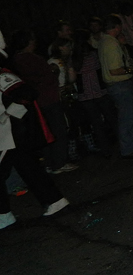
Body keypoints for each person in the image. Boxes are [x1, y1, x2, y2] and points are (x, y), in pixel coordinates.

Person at [1, 30, 70, 229]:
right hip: (7, 134)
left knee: (25, 167)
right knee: (28, 167)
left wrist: (10, 116)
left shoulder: (2, 75)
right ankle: (54, 200)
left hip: (8, 133)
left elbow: (26, 93)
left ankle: (3, 215)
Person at [10, 30, 77, 174]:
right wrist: (52, 72)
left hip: (38, 101)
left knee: (46, 132)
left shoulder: (17, 59)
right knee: (58, 130)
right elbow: (38, 77)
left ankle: (50, 163)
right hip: (47, 99)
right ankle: (59, 163)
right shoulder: (29, 59)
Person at [97, 15, 133, 159]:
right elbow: (114, 69)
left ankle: (132, 145)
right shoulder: (111, 43)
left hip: (116, 85)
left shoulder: (104, 41)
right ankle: (129, 148)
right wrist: (131, 70)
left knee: (127, 116)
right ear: (116, 27)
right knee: (127, 117)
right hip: (119, 84)